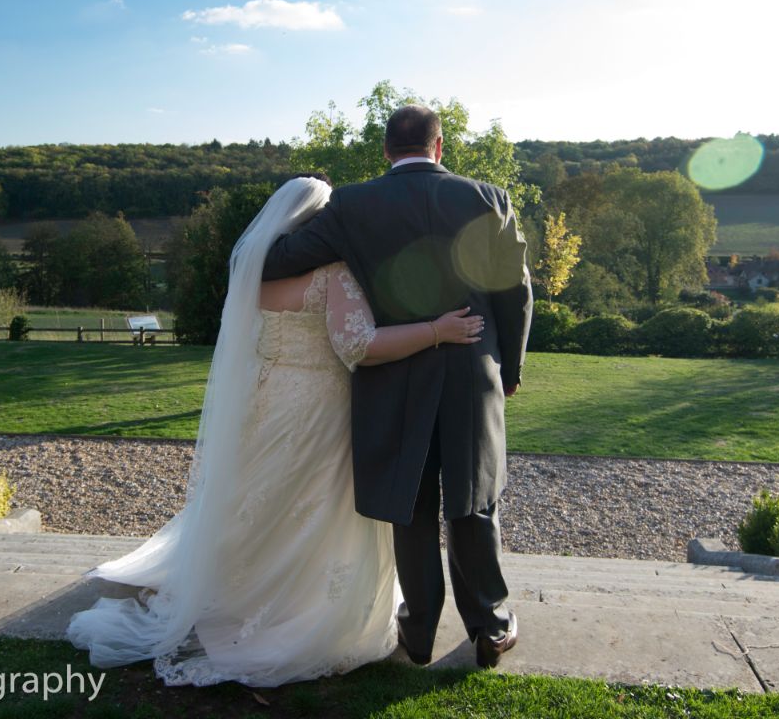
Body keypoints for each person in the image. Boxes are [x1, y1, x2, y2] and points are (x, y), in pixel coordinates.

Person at [65, 174, 486, 687]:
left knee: (257, 499)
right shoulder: (335, 271)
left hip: (265, 400)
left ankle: (228, 594)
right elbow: (361, 346)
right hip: (317, 406)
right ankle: (301, 607)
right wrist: (437, 330)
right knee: (315, 503)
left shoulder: (254, 273)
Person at [262, 105, 533, 668]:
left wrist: (318, 257)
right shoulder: (488, 198)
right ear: (440, 148)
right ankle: (490, 625)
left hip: (394, 373)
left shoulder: (352, 206)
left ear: (387, 151)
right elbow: (516, 293)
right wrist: (508, 371)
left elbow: (276, 261)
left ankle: (418, 631)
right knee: (473, 499)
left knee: (410, 503)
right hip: (470, 368)